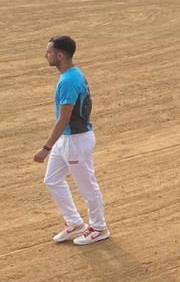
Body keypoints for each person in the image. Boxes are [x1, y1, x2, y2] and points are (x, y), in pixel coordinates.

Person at [35, 36, 110, 245]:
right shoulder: (73, 74)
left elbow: (64, 118)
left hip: (75, 141)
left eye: (49, 52)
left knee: (88, 187)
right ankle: (75, 223)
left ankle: (99, 227)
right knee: (52, 179)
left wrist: (46, 148)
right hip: (68, 139)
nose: (46, 55)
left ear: (60, 55)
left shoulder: (68, 81)